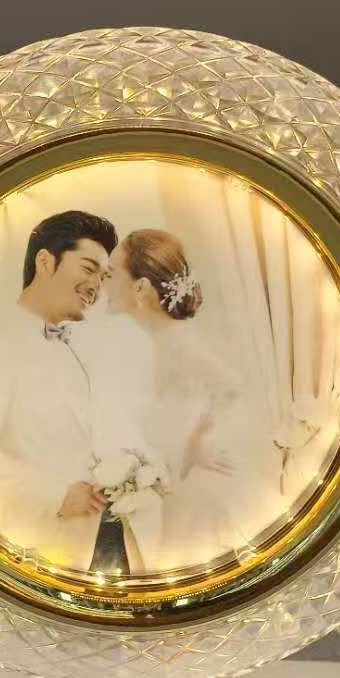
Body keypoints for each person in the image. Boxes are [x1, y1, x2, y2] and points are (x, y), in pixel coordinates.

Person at [0, 209, 154, 575]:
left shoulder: (71, 348)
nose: (96, 286)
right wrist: (56, 496)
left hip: (101, 539)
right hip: (41, 549)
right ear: (44, 261)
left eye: (103, 276)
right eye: (88, 269)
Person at [102, 229, 262, 571]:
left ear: (140, 288)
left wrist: (197, 440)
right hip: (174, 483)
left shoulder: (179, 340)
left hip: (199, 492)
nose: (103, 281)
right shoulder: (155, 340)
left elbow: (233, 388)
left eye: (111, 272)